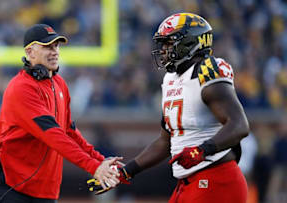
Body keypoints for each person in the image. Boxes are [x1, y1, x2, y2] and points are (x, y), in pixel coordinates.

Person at [89, 13, 250, 203]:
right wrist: (126, 172)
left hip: (216, 179)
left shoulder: (207, 70)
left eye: (169, 43)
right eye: (163, 44)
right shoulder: (170, 80)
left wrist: (202, 150)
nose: (163, 50)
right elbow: (165, 142)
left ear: (191, 43)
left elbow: (239, 125)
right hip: (188, 182)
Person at [0, 24, 121, 203]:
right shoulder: (21, 88)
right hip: (13, 187)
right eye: (47, 46)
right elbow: (54, 135)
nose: (55, 51)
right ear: (30, 52)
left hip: (45, 192)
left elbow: (69, 132)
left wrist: (102, 161)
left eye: (56, 46)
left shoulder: (59, 84)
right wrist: (94, 167)